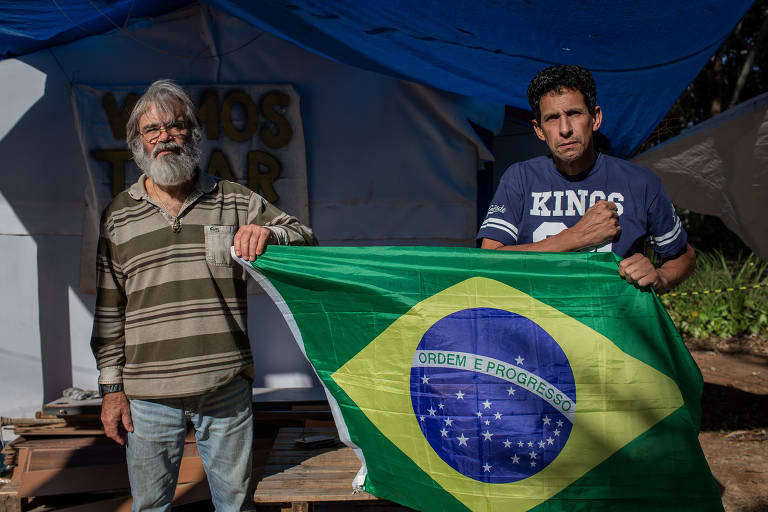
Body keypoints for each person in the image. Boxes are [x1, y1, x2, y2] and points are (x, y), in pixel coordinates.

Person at [90, 79, 317, 511]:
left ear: (194, 133)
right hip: (148, 395)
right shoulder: (118, 215)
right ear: (136, 142)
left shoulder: (233, 200)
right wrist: (111, 390)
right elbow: (109, 311)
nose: (165, 138)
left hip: (224, 386)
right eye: (152, 130)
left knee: (234, 505)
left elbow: (305, 237)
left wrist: (268, 232)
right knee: (151, 506)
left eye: (176, 126)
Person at [478, 65, 695, 292]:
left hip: (612, 324)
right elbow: (489, 260)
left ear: (595, 118)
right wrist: (574, 238)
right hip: (538, 324)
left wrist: (661, 277)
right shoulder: (520, 178)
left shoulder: (641, 183)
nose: (564, 129)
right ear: (539, 129)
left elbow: (684, 256)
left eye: (574, 113)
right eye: (552, 118)